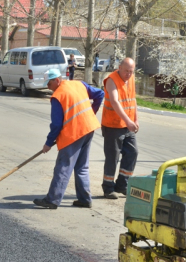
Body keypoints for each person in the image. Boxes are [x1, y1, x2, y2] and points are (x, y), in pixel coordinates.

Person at [33, 68, 104, 209]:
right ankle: (85, 199)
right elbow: (100, 94)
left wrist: (48, 143)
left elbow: (57, 124)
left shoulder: (58, 96)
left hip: (74, 133)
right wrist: (91, 114)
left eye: (49, 84)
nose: (48, 87)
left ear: (57, 80)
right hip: (88, 128)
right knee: (82, 166)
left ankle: (52, 200)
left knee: (63, 167)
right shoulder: (79, 84)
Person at [101, 57, 139, 199]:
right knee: (113, 157)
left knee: (133, 152)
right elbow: (115, 102)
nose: (129, 74)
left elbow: (133, 100)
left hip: (128, 124)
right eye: (126, 71)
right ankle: (108, 187)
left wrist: (135, 119)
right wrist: (128, 121)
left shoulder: (131, 79)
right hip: (113, 126)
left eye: (131, 71)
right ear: (120, 68)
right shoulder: (111, 80)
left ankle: (122, 185)